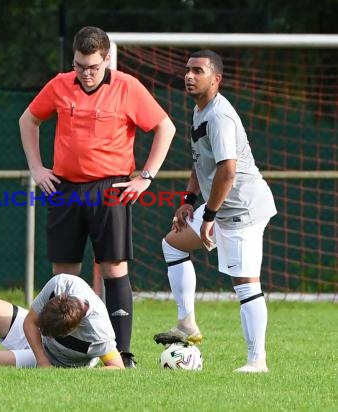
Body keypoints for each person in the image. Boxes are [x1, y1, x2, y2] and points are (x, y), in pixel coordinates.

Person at [19, 26, 176, 367]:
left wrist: (145, 177)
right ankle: (64, 348)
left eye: (92, 66)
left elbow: (166, 127)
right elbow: (28, 119)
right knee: (64, 274)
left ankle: (121, 353)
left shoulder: (127, 87)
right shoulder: (59, 84)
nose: (86, 74)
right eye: (79, 66)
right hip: (64, 189)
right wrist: (37, 167)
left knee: (113, 268)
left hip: (111, 190)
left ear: (107, 59)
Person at [153, 50, 277, 373]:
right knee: (173, 243)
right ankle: (187, 324)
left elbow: (227, 171)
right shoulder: (199, 111)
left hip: (241, 210)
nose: (189, 76)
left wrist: (207, 218)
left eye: (198, 71)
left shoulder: (220, 116)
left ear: (216, 79)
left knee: (246, 283)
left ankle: (257, 361)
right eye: (187, 70)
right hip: (216, 208)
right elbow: (201, 162)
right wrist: (188, 201)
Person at [0, 273, 124, 369]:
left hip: (55, 359)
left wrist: (45, 364)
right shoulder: (61, 284)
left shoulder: (99, 332)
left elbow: (117, 367)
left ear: (70, 331)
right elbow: (30, 322)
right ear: (61, 297)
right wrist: (42, 360)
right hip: (36, 342)